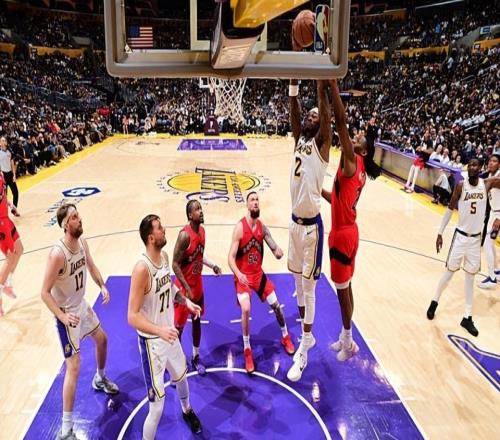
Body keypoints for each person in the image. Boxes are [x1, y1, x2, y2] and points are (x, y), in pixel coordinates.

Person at [40, 203, 119, 440]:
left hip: (81, 305)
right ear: (65, 225)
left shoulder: (82, 243)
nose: (79, 219)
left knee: (102, 340)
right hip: (67, 313)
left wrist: (102, 285)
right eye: (74, 217)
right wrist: (62, 316)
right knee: (73, 367)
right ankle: (66, 430)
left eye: (78, 215)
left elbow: (91, 266)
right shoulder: (58, 254)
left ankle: (100, 378)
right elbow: (44, 292)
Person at [321, 79, 381, 362]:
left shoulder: (351, 160)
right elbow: (338, 200)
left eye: (359, 139)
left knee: (342, 292)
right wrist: (317, 191)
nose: (354, 137)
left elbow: (341, 123)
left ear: (363, 151)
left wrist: (333, 86)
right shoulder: (358, 171)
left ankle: (348, 342)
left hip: (343, 235)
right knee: (347, 288)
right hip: (349, 230)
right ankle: (347, 337)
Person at [128, 214, 202, 438]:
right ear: (151, 238)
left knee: (182, 376)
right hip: (152, 344)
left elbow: (168, 287)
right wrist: (159, 330)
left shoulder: (165, 257)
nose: (165, 230)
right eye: (160, 228)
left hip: (168, 334)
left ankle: (187, 410)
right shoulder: (142, 269)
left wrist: (186, 301)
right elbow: (132, 316)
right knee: (157, 407)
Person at [286, 78, 331, 382]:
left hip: (312, 229)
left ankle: (304, 349)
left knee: (309, 288)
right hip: (293, 224)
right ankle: (308, 336)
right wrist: (293, 85)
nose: (310, 117)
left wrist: (320, 83)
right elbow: (294, 111)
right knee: (298, 285)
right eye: (309, 115)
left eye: (314, 116)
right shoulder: (300, 140)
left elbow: (326, 116)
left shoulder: (322, 145)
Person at [426, 159, 500, 336]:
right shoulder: (461, 186)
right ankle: (434, 301)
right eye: (471, 165)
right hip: (460, 237)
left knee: (470, 278)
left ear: (480, 168)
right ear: (468, 168)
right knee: (449, 273)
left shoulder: (487, 184)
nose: (473, 167)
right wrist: (440, 232)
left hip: (475, 240)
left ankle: (467, 317)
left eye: (476, 165)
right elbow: (450, 209)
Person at [228, 192, 295, 374]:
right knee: (246, 308)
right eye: (252, 200)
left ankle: (285, 336)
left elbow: (273, 245)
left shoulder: (262, 228)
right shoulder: (240, 228)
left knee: (276, 305)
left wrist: (277, 251)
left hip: (258, 275)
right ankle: (247, 349)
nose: (256, 202)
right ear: (247, 205)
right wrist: (238, 273)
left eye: (257, 200)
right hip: (243, 277)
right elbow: (230, 258)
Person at [172, 200, 221, 375]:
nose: (201, 211)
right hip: (184, 290)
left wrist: (213, 265)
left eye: (201, 208)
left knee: (197, 320)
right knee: (178, 329)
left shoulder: (202, 231)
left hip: (197, 285)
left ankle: (195, 356)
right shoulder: (184, 236)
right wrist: (186, 287)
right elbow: (175, 264)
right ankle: (176, 363)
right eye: (197, 209)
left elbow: (199, 255)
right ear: (189, 215)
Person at [0, 171, 22, 316]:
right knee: (10, 256)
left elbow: (2, 193)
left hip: (6, 217)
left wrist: (8, 203)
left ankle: (7, 281)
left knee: (19, 248)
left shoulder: (1, 174)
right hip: (0, 222)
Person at [477, 153, 500, 289]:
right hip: (493, 213)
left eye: (495, 161)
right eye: (490, 160)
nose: (491, 163)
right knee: (490, 244)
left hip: (498, 215)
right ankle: (497, 272)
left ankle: (492, 279)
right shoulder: (490, 175)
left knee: (486, 244)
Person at [0, 137, 20, 215]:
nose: (4, 141)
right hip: (3, 175)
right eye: (2, 140)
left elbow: (12, 164)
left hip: (10, 174)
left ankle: (14, 210)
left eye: (5, 140)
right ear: (0, 143)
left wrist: (14, 175)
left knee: (16, 192)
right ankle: (4, 213)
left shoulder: (9, 152)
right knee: (4, 196)